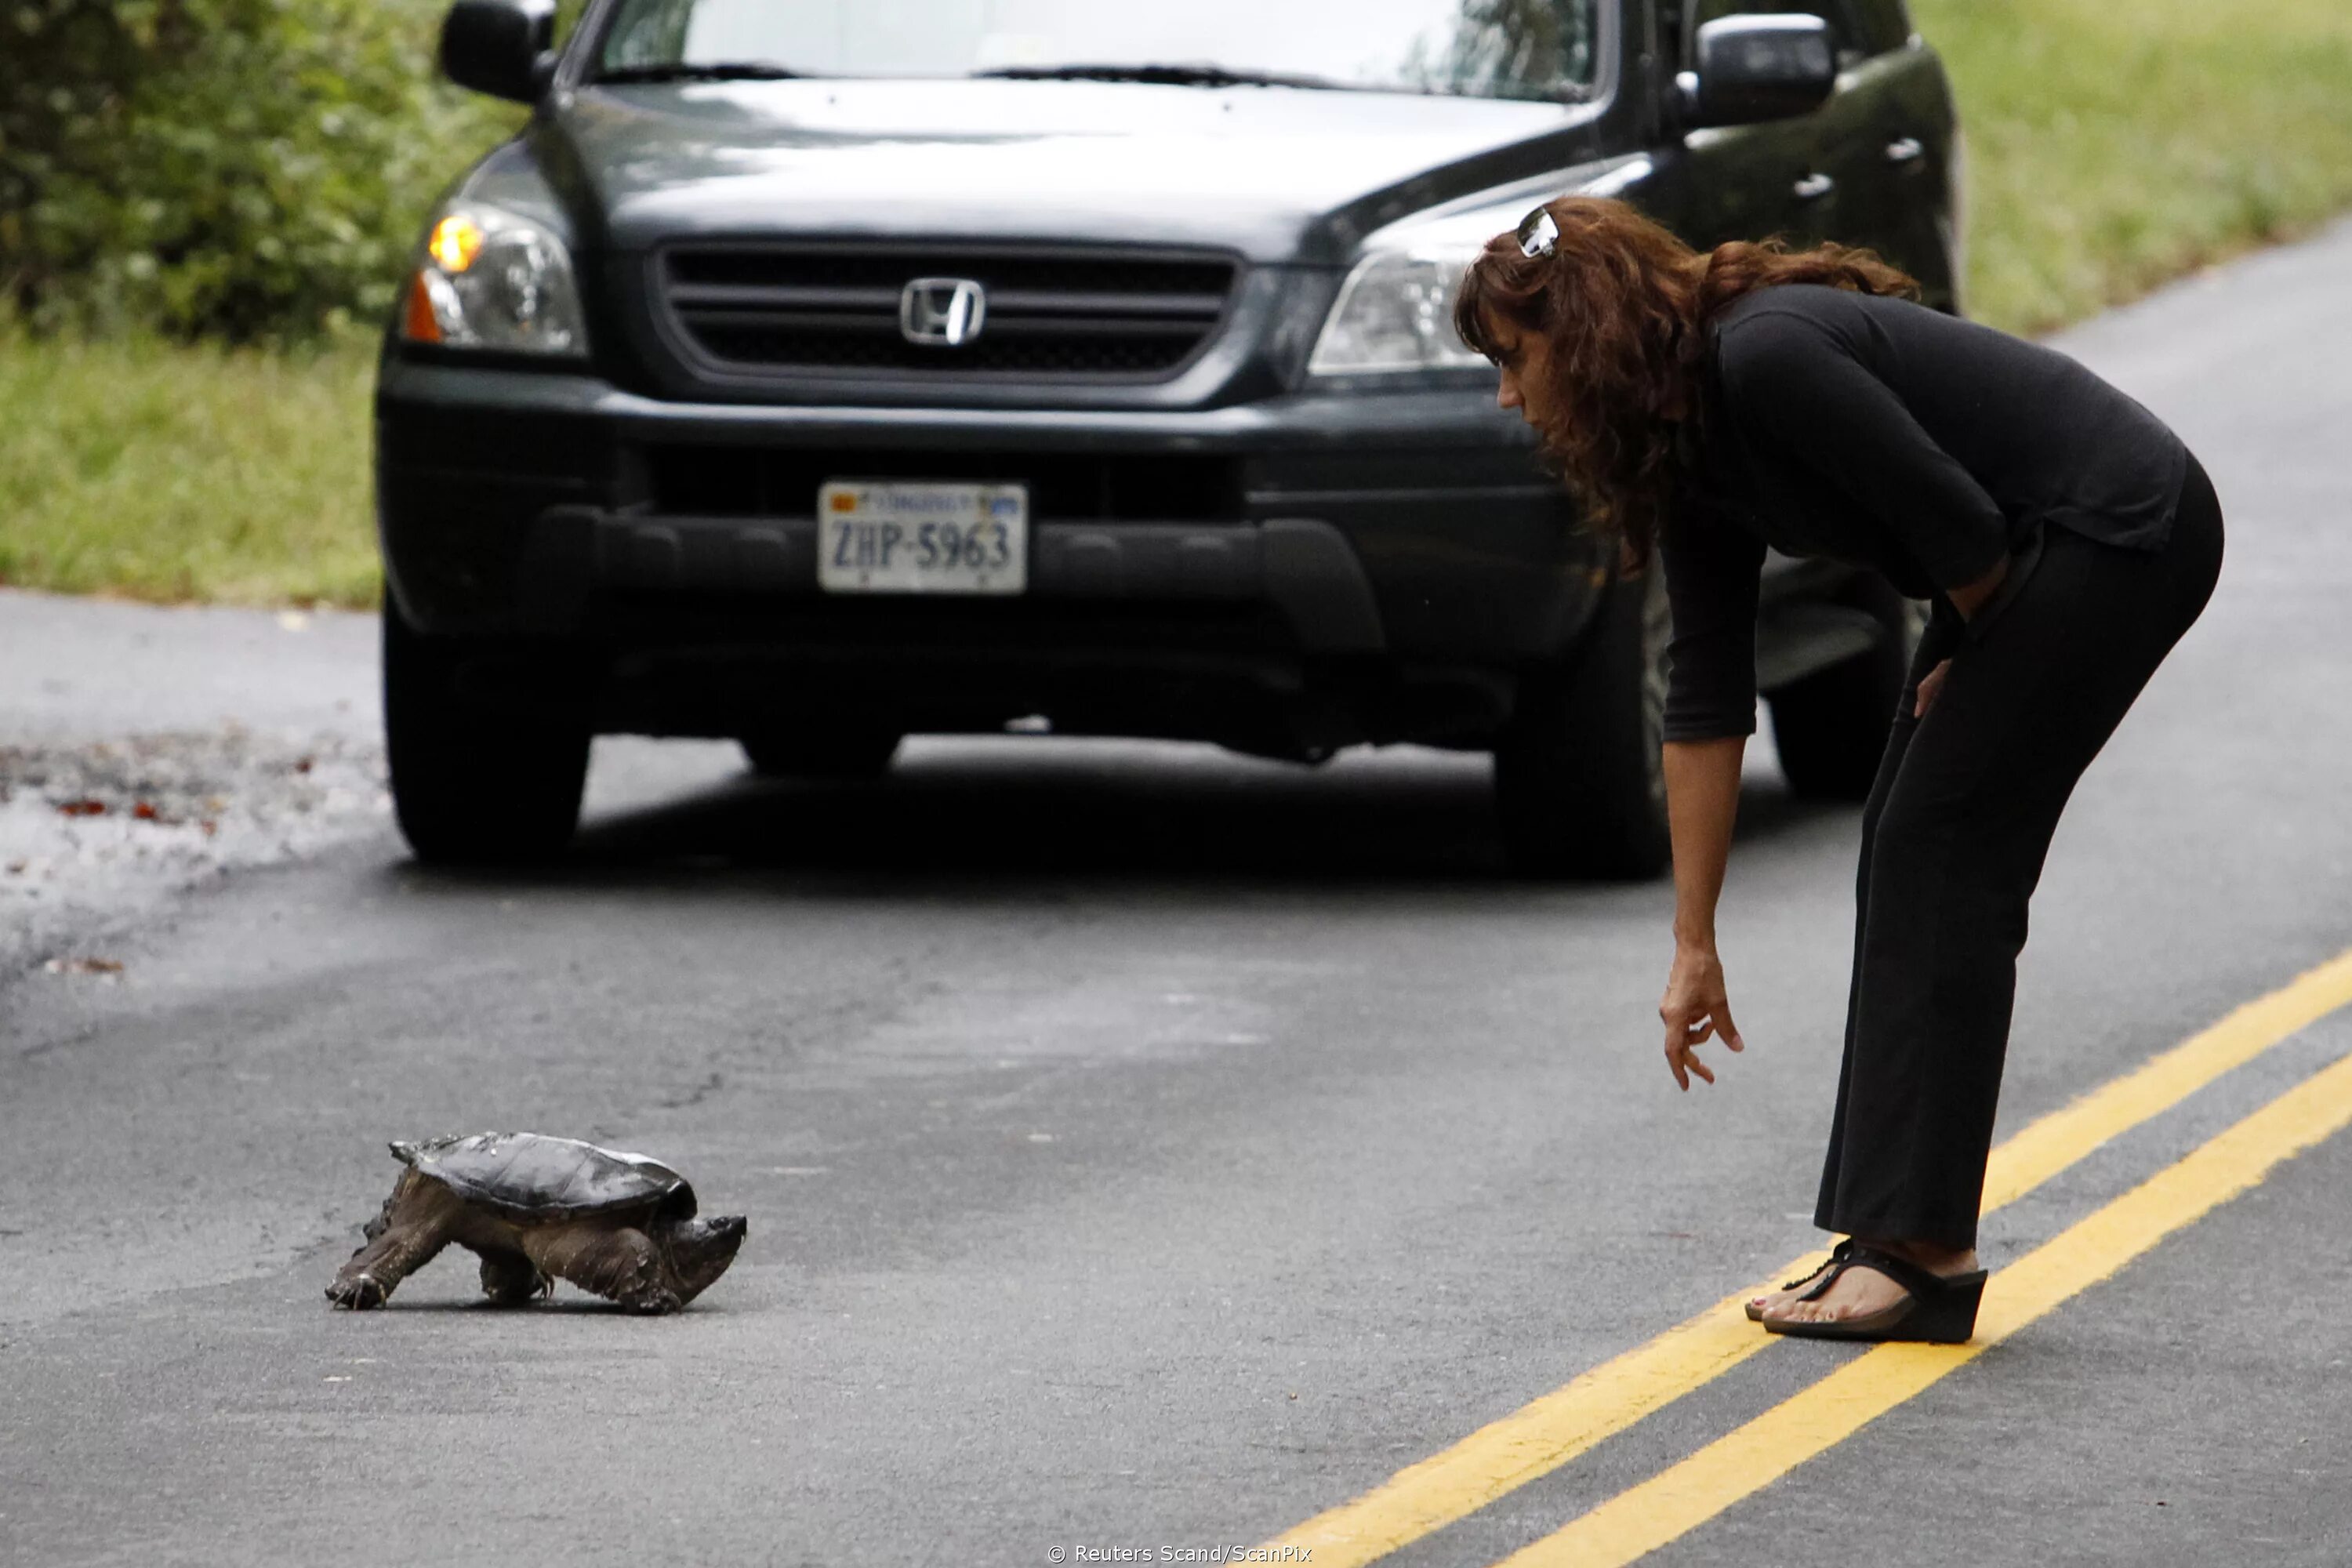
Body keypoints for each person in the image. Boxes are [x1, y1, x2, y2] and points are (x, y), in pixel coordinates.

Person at [1451, 194, 2225, 1344]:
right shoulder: (1683, 433)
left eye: (1516, 359)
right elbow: (1707, 694)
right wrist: (1692, 942)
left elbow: (1959, 528)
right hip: (2020, 556)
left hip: (2117, 525)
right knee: (1901, 838)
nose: (1509, 395)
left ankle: (1924, 1255)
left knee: (1942, 844)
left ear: (1591, 327)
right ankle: (1883, 1233)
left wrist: (1973, 652)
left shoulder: (1766, 357)